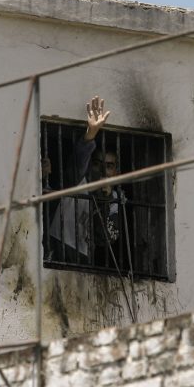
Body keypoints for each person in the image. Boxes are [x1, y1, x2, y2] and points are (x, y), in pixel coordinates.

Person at [48, 96, 127, 263]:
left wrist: (104, 199)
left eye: (110, 165)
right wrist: (91, 134)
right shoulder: (78, 179)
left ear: (117, 173)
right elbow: (79, 158)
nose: (103, 170)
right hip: (56, 250)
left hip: (83, 261)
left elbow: (106, 239)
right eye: (98, 163)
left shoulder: (115, 202)